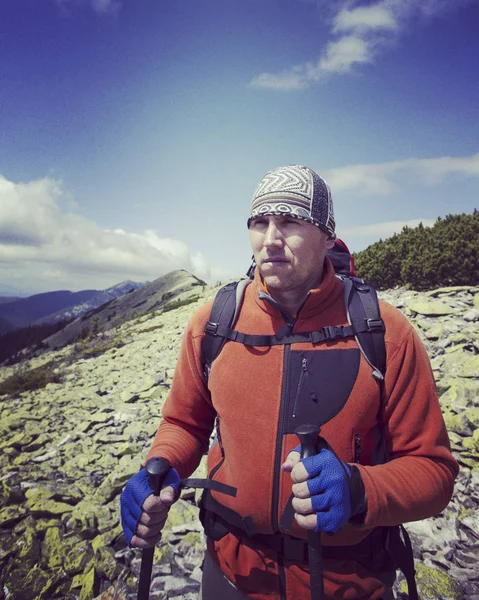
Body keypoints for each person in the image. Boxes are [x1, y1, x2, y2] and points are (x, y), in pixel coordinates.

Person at [120, 165, 459, 599]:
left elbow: (434, 473)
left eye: (290, 221)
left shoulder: (384, 332)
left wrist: (358, 488)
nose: (271, 238)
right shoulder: (214, 323)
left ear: (328, 235)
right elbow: (184, 424)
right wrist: (162, 464)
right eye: (259, 222)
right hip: (229, 575)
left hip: (346, 585)